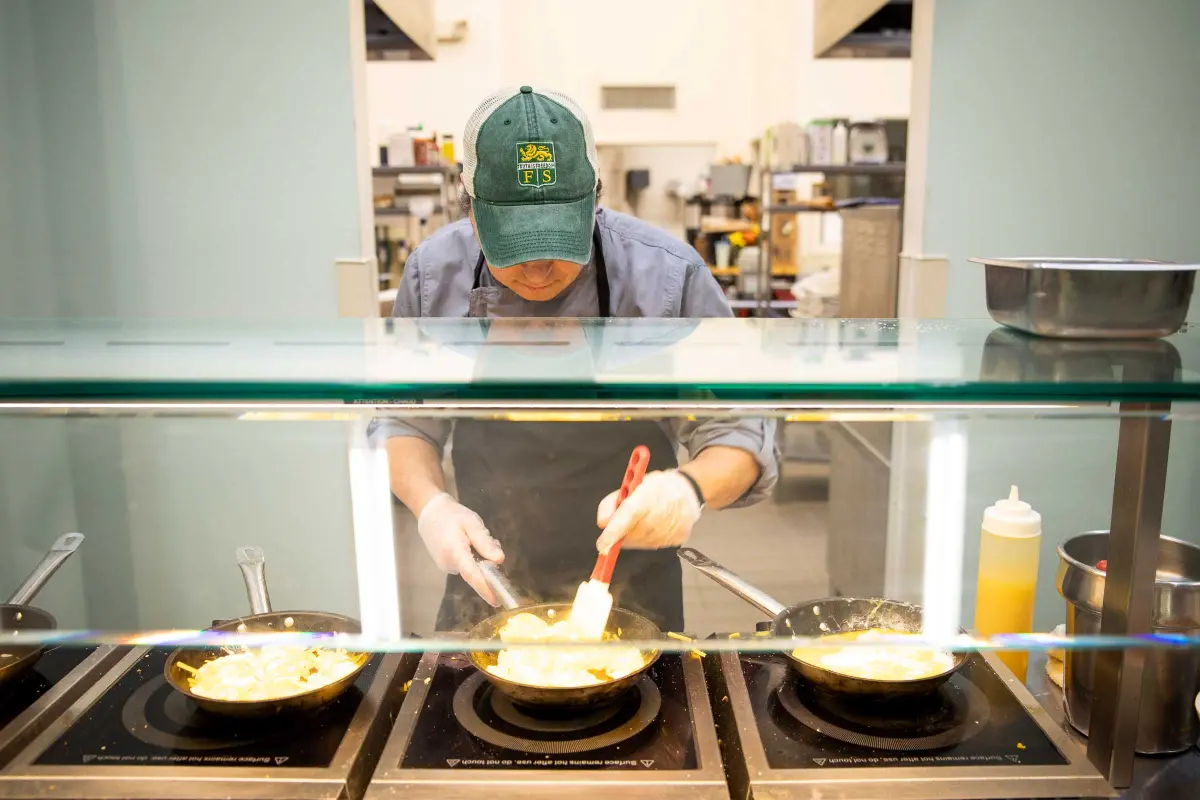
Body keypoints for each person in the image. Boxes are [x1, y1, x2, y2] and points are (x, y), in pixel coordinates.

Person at [373, 86, 777, 632]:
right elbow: (404, 416)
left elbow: (741, 426)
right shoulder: (433, 276)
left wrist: (688, 489)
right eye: (515, 246)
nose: (539, 271)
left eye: (560, 243)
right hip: (484, 568)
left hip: (634, 574)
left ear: (594, 199)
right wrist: (432, 507)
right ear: (470, 212)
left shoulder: (664, 275)